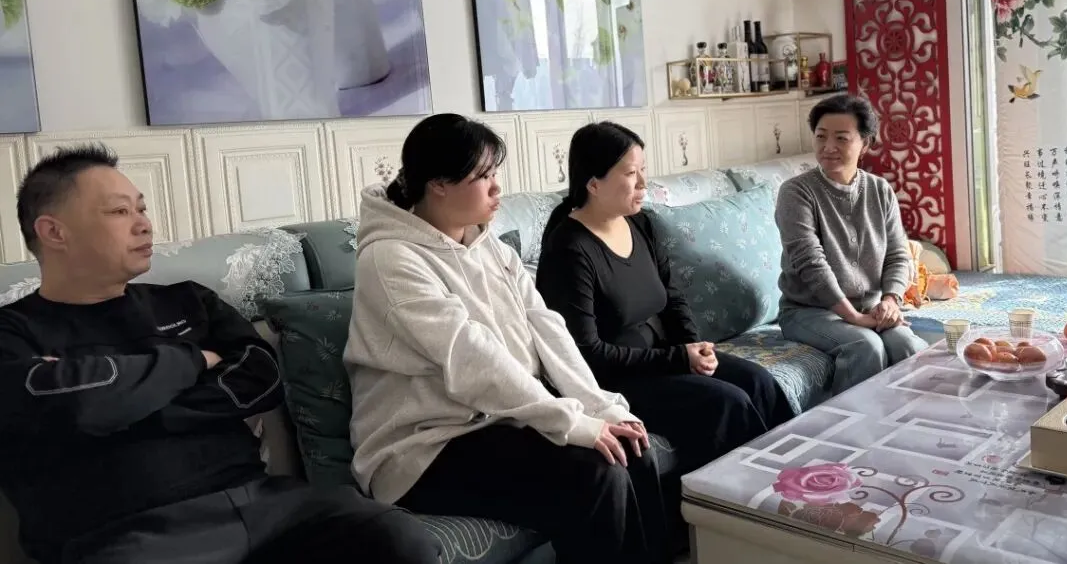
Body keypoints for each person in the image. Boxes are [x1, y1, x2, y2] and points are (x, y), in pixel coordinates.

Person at [0, 145, 442, 564]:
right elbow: (76, 407)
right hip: (125, 532)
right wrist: (192, 361)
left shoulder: (188, 302)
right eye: (119, 212)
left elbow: (261, 381)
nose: (144, 225)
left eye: (141, 209)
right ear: (54, 231)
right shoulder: (13, 332)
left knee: (397, 538)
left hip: (265, 505)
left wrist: (120, 400)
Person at [343, 113, 671, 564]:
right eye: (483, 176)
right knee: (598, 474)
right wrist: (570, 423)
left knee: (633, 447)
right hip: (424, 447)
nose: (497, 188)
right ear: (438, 184)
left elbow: (547, 328)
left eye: (495, 173)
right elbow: (471, 358)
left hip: (499, 421)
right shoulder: (390, 259)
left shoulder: (491, 247)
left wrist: (600, 407)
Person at [535, 122, 795, 475]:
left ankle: (800, 481)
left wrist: (693, 346)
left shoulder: (641, 224)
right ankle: (742, 500)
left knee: (759, 382)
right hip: (616, 380)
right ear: (593, 184)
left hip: (665, 358)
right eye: (631, 173)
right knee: (727, 403)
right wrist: (678, 359)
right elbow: (587, 354)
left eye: (643, 170)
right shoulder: (569, 249)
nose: (643, 183)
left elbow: (672, 296)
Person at [774, 94, 928, 395]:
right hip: (808, 311)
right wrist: (854, 318)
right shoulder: (796, 192)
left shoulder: (880, 190)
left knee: (908, 346)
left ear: (865, 143)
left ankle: (910, 420)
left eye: (841, 138)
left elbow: (898, 255)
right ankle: (849, 424)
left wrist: (890, 301)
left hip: (869, 305)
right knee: (865, 346)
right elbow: (811, 264)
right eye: (821, 136)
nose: (828, 147)